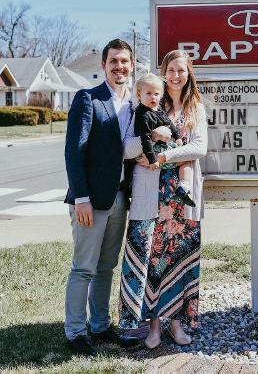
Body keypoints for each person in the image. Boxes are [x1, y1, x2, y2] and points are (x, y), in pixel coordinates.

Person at [119, 50, 207, 349]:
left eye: (181, 70)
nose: (176, 75)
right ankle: (154, 327)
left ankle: (177, 325)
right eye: (171, 69)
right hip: (150, 196)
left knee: (179, 257)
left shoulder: (195, 107)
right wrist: (153, 140)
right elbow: (127, 147)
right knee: (152, 260)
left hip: (181, 198)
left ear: (188, 73)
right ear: (163, 71)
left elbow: (200, 147)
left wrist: (165, 155)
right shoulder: (148, 100)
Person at [63, 39, 139, 356]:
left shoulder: (135, 105)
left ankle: (100, 325)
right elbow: (74, 152)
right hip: (90, 200)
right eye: (113, 61)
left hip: (121, 198)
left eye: (124, 61)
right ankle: (76, 333)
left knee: (107, 266)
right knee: (84, 268)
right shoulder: (88, 99)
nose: (119, 66)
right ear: (103, 65)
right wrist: (81, 197)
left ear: (132, 65)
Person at [122, 73, 196, 207]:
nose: (153, 97)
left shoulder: (158, 109)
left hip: (160, 149)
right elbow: (145, 138)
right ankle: (128, 190)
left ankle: (183, 187)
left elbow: (170, 124)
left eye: (156, 94)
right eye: (148, 93)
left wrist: (178, 137)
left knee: (187, 157)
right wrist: (152, 159)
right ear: (139, 95)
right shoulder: (142, 113)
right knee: (186, 159)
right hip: (149, 152)